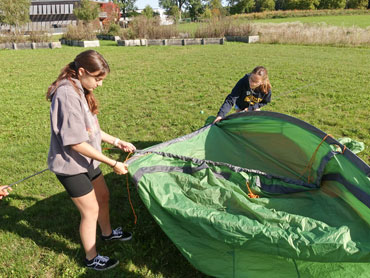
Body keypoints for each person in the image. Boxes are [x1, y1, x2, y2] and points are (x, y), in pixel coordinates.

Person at [46, 50, 136, 271]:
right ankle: (91, 257)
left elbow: (92, 129)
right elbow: (75, 142)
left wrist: (117, 141)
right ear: (82, 71)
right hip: (71, 165)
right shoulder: (66, 94)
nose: (100, 84)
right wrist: (112, 162)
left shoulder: (80, 88)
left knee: (103, 196)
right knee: (90, 211)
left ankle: (107, 234)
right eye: (97, 78)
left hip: (87, 160)